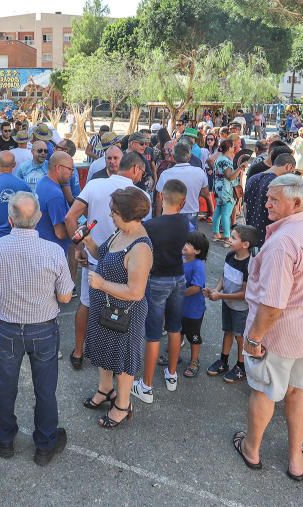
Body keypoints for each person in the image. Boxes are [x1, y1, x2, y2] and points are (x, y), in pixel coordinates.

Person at [233, 175, 303, 482]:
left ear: (296, 202)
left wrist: (253, 339)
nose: (266, 203)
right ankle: (296, 458)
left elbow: (273, 305)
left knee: (265, 392)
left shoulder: (282, 242)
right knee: (298, 393)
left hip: (278, 334)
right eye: (268, 197)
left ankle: (252, 450)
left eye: (273, 199)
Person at [0, 193, 74, 464]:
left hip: (6, 328)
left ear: (9, 219)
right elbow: (65, 297)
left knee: (4, 387)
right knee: (45, 389)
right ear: (38, 218)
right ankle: (45, 444)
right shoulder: (53, 251)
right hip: (43, 329)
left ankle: (5, 440)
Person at [64, 152, 146, 369]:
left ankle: (79, 351)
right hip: (124, 262)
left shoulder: (94, 185)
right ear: (136, 169)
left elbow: (70, 217)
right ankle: (110, 360)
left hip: (93, 259)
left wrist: (79, 247)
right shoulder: (140, 194)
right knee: (118, 308)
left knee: (86, 303)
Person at [81, 188, 154, 429]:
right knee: (103, 352)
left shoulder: (140, 248)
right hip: (105, 307)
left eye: (114, 212)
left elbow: (136, 292)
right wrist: (88, 242)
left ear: (128, 214)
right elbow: (101, 255)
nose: (111, 216)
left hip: (125, 313)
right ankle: (105, 390)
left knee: (122, 360)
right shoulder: (120, 232)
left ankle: (122, 405)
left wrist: (101, 284)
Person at [135, 179, 189, 403]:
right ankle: (172, 374)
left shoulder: (150, 226)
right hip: (179, 277)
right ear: (183, 202)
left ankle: (146, 386)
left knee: (153, 333)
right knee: (175, 328)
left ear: (160, 197)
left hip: (157, 281)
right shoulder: (185, 222)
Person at [205, 224, 256, 381]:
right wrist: (216, 290)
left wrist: (220, 296)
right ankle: (224, 361)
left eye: (234, 238)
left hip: (240, 308)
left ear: (245, 244)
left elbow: (245, 294)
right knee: (227, 331)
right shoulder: (229, 256)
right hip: (227, 303)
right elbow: (224, 276)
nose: (230, 239)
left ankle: (241, 366)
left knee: (239, 336)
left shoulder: (249, 265)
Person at [243, 152, 297, 244]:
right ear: (288, 166)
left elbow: (245, 207)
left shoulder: (252, 179)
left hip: (251, 235)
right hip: (269, 237)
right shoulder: (278, 183)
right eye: (292, 171)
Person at [154, 142, 213, 226]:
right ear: (189, 157)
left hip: (170, 213)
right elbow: (206, 195)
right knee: (190, 238)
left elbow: (158, 198)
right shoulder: (199, 172)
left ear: (174, 157)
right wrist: (211, 212)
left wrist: (158, 217)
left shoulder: (165, 174)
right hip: (191, 213)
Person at [179, 231, 209, 379]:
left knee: (193, 336)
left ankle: (194, 361)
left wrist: (179, 293)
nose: (184, 246)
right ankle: (174, 354)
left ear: (197, 251)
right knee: (177, 331)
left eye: (188, 244)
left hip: (193, 310)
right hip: (179, 307)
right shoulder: (181, 259)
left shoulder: (198, 266)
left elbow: (196, 288)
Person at [35, 152, 75, 249]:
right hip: (54, 249)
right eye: (70, 169)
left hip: (42, 244)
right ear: (58, 168)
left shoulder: (42, 181)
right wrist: (75, 231)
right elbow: (60, 233)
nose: (72, 173)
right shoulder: (55, 194)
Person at [211, 137, 244, 241]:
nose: (234, 147)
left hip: (218, 189)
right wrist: (240, 168)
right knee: (226, 214)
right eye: (232, 146)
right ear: (229, 148)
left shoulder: (219, 159)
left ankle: (216, 233)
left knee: (218, 212)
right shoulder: (225, 161)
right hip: (226, 190)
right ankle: (227, 236)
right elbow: (230, 176)